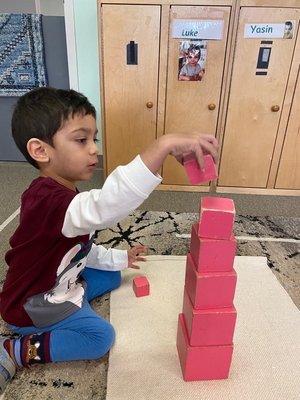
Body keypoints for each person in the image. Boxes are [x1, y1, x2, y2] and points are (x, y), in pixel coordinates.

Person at [0, 87, 218, 392]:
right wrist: (163, 145)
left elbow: (79, 249)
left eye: (94, 139)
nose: (93, 150)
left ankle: (76, 295)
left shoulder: (62, 194)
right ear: (40, 151)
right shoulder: (45, 200)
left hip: (59, 279)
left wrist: (121, 258)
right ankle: (15, 350)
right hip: (30, 308)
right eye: (81, 140)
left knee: (114, 275)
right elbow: (106, 206)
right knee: (100, 338)